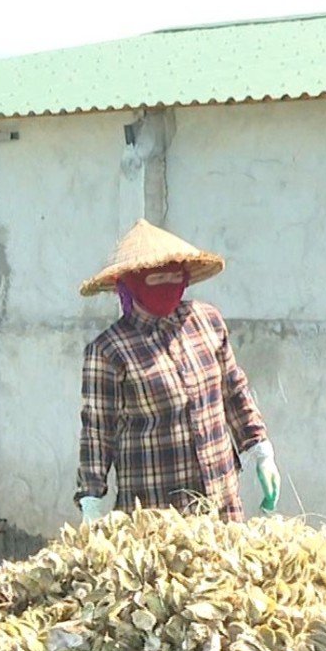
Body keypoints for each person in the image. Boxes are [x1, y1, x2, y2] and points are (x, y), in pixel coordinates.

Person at [74, 219, 280, 524]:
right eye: (155, 277)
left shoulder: (207, 321)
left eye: (174, 273)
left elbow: (234, 391)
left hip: (221, 502)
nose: (167, 282)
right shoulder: (109, 350)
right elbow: (97, 433)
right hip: (157, 514)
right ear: (129, 282)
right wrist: (91, 498)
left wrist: (260, 449)